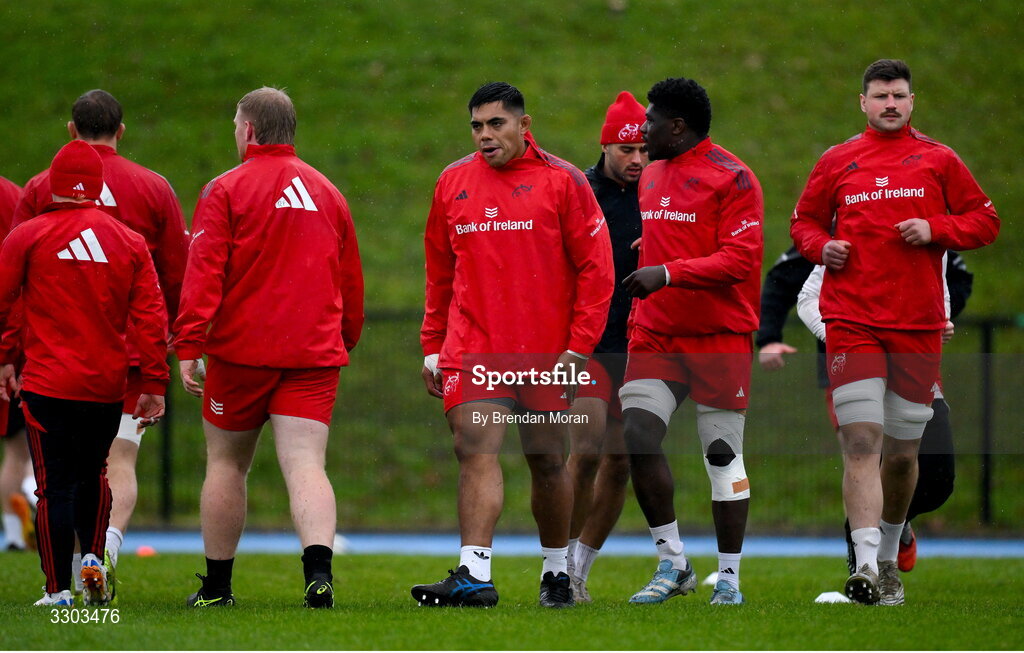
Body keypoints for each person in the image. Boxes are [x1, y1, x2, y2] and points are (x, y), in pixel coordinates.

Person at [790, 59, 998, 605]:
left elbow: (985, 220)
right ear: (862, 102)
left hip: (917, 324)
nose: (889, 104)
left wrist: (937, 228)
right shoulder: (837, 160)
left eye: (898, 96)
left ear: (911, 102)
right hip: (852, 320)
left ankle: (886, 558)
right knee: (861, 439)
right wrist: (820, 247)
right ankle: (860, 566)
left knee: (905, 454)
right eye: (879, 95)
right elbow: (804, 223)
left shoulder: (939, 160)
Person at [413, 82, 613, 609]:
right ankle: (475, 574)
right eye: (476, 126)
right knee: (472, 446)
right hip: (473, 348)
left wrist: (579, 347)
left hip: (548, 353)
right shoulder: (451, 182)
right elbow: (439, 272)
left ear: (524, 125)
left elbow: (597, 271)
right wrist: (433, 343)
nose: (484, 135)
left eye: (495, 124)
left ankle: (556, 573)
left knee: (547, 459)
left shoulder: (563, 181)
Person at [174, 87, 364, 609]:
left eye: (237, 125)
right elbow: (349, 279)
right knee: (306, 465)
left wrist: (190, 341)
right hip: (312, 356)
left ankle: (216, 589)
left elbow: (204, 271)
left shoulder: (225, 189)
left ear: (250, 131)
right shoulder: (328, 192)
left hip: (240, 355)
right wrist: (342, 339)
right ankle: (318, 577)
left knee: (227, 465)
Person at [13, 90, 188, 595]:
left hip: (52, 357)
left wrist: (15, 352)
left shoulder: (40, 189)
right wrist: (173, 347)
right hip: (124, 358)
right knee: (113, 466)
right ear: (122, 129)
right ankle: (102, 554)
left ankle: (59, 584)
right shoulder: (152, 188)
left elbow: (16, 276)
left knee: (57, 479)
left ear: (70, 130)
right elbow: (171, 278)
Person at [619, 77, 763, 606]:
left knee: (723, 457)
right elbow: (676, 232)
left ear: (677, 127)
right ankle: (672, 561)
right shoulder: (652, 172)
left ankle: (729, 577)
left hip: (719, 336)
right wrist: (654, 248)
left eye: (651, 120)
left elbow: (742, 259)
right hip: (656, 331)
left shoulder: (735, 177)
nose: (642, 129)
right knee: (637, 432)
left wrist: (669, 271)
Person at [757, 246, 971, 574]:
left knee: (936, 478)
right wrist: (773, 336)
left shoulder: (924, 223)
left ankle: (893, 522)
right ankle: (865, 563)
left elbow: (952, 278)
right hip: (850, 362)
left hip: (914, 359)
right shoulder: (840, 224)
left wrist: (940, 318)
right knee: (864, 456)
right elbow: (789, 283)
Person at [566, 91, 648, 603]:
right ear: (605, 147)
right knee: (587, 450)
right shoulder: (577, 189)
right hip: (592, 342)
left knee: (621, 459)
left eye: (643, 150)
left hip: (640, 344)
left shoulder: (660, 190)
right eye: (626, 151)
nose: (637, 160)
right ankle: (556, 561)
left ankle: (578, 570)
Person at [0, 174, 34, 553]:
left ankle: (12, 534)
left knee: (12, 447)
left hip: (6, 338)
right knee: (31, 444)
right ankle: (34, 498)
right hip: (22, 337)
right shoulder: (15, 194)